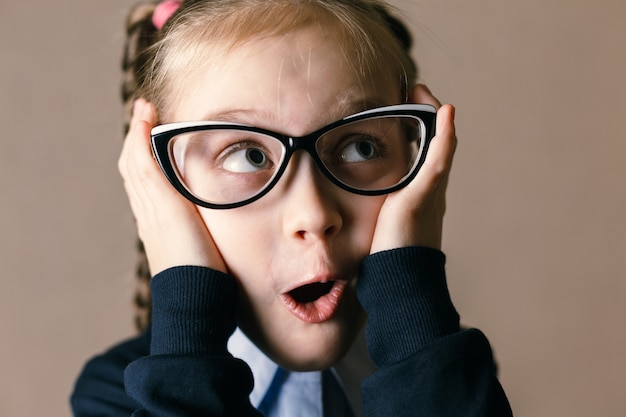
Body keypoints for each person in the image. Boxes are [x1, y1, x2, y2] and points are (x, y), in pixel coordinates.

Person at [71, 0, 513, 416]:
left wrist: (414, 301)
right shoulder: (117, 397)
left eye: (361, 147)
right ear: (158, 182)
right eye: (248, 155)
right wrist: (188, 345)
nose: (315, 216)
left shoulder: (443, 371)